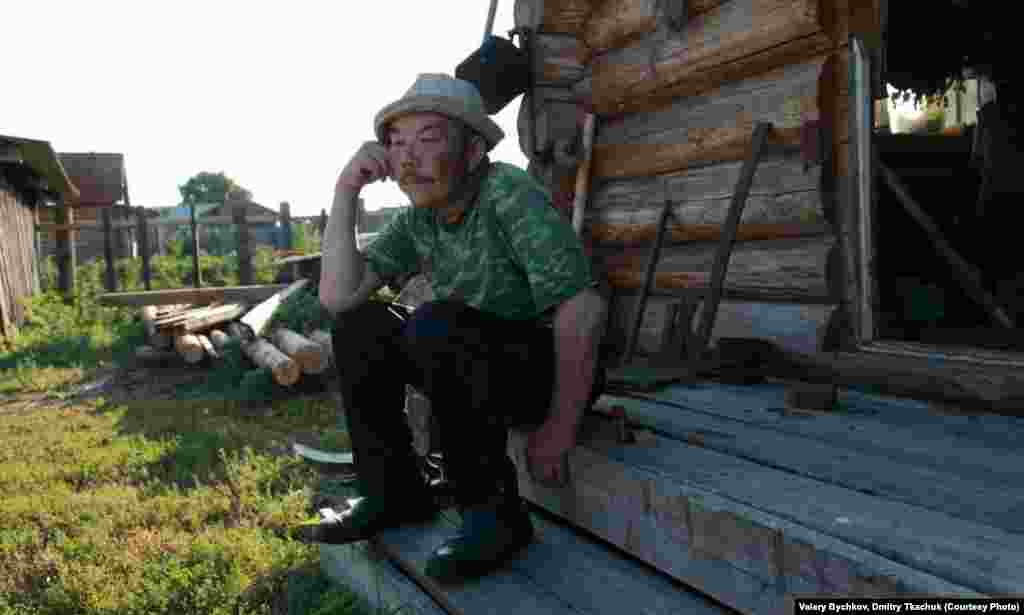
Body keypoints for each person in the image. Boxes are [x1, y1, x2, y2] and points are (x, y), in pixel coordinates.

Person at [296, 73, 607, 583]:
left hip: (544, 373)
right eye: (397, 144)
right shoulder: (419, 218)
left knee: (436, 324)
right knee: (361, 324)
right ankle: (394, 493)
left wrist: (557, 429)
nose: (408, 159)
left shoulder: (506, 192)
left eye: (429, 139)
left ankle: (494, 516)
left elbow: (582, 308)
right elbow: (337, 297)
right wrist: (346, 189)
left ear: (472, 151)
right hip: (475, 367)